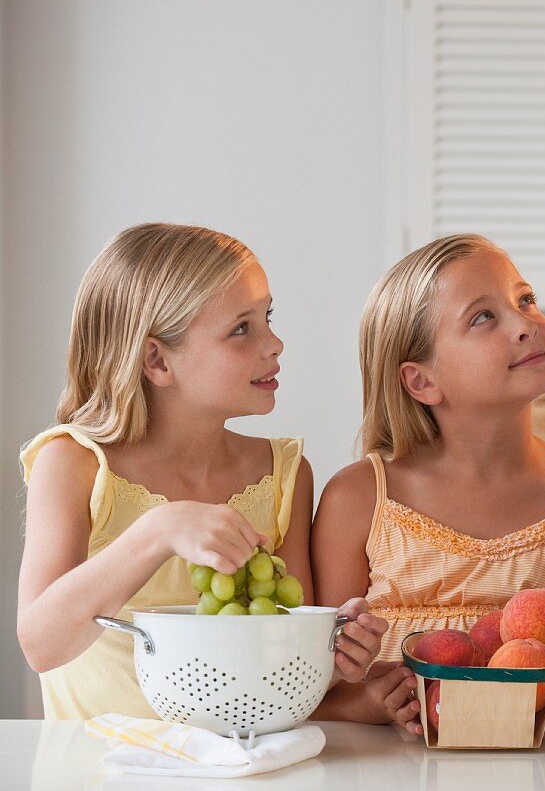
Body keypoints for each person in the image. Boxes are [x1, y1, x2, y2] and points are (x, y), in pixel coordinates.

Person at [17, 223, 388, 719]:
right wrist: (156, 532)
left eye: (267, 317)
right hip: (100, 769)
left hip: (238, 766)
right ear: (157, 359)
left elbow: (282, 669)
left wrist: (331, 653)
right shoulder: (74, 462)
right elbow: (41, 645)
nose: (274, 343)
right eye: (242, 328)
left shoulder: (285, 475)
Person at [310, 233, 545, 733]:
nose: (526, 324)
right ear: (422, 381)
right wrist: (372, 702)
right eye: (483, 317)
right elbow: (314, 691)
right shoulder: (358, 499)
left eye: (525, 299)